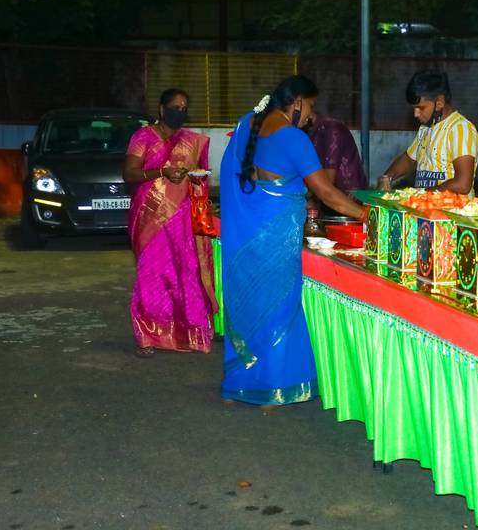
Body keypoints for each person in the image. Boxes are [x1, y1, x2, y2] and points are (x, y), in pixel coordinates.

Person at [219, 75, 367, 407]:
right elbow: (327, 192)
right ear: (297, 101)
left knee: (250, 305)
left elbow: (246, 177)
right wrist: (367, 217)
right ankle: (272, 388)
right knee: (278, 307)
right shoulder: (292, 138)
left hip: (246, 236)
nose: (313, 116)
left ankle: (239, 384)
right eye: (311, 106)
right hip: (276, 239)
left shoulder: (247, 124)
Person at [123, 88, 218, 357]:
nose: (180, 111)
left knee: (186, 272)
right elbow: (129, 174)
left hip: (183, 218)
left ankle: (190, 334)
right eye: (175, 107)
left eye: (185, 107)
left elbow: (201, 176)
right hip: (150, 217)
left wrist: (201, 191)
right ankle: (149, 335)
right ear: (162, 109)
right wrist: (161, 172)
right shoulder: (143, 137)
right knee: (152, 275)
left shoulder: (192, 140)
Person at [377, 69, 478, 196]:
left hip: (452, 212)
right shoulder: (425, 128)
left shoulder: (460, 128)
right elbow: (408, 159)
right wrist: (387, 177)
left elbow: (462, 184)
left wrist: (422, 195)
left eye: (420, 108)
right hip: (425, 210)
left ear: (439, 103)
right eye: (414, 109)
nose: (415, 114)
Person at [303, 97, 367, 211]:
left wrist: (302, 196)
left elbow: (327, 183)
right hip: (329, 200)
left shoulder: (331, 130)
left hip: (348, 203)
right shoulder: (305, 132)